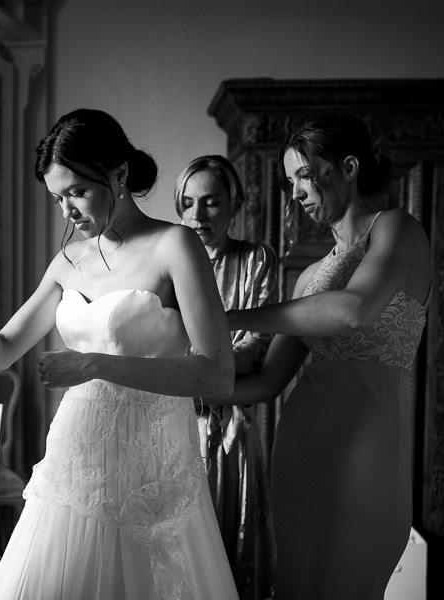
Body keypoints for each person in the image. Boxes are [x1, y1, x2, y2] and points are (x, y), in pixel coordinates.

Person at [0, 108, 240, 599]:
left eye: (77, 192)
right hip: (76, 460)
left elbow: (216, 375)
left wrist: (93, 365)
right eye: (58, 197)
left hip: (153, 466)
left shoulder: (175, 246)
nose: (68, 212)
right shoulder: (67, 262)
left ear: (119, 174)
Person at [215, 114, 431, 600]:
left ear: (347, 167)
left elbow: (354, 312)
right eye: (287, 181)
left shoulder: (397, 229)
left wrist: (227, 317)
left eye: (302, 176)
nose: (293, 193)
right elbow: (267, 383)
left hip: (367, 451)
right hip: (299, 451)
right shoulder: (309, 276)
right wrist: (178, 386)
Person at [174, 155, 277, 600]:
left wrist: (196, 372)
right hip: (175, 423)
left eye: (211, 202)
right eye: (189, 203)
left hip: (232, 428)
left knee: (232, 542)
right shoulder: (170, 262)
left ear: (233, 204)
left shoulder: (257, 259)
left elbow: (255, 347)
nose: (198, 215)